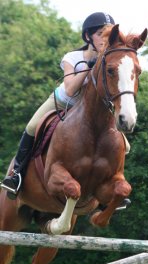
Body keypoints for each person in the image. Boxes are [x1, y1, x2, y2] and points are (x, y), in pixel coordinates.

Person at [1, 12, 131, 209]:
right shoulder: (73, 57)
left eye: (109, 35)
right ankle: (16, 176)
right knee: (32, 126)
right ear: (88, 37)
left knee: (125, 145)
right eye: (100, 34)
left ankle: (106, 189)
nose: (105, 39)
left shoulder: (109, 58)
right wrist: (90, 68)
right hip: (63, 102)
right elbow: (70, 88)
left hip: (91, 111)